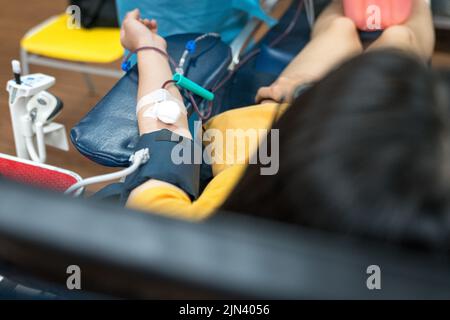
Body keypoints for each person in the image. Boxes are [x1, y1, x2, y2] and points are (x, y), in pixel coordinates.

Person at [120, 0, 441, 243]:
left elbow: (167, 129)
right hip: (358, 132)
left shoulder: (183, 240)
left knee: (343, 30)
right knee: (399, 36)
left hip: (279, 113)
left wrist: (150, 47)